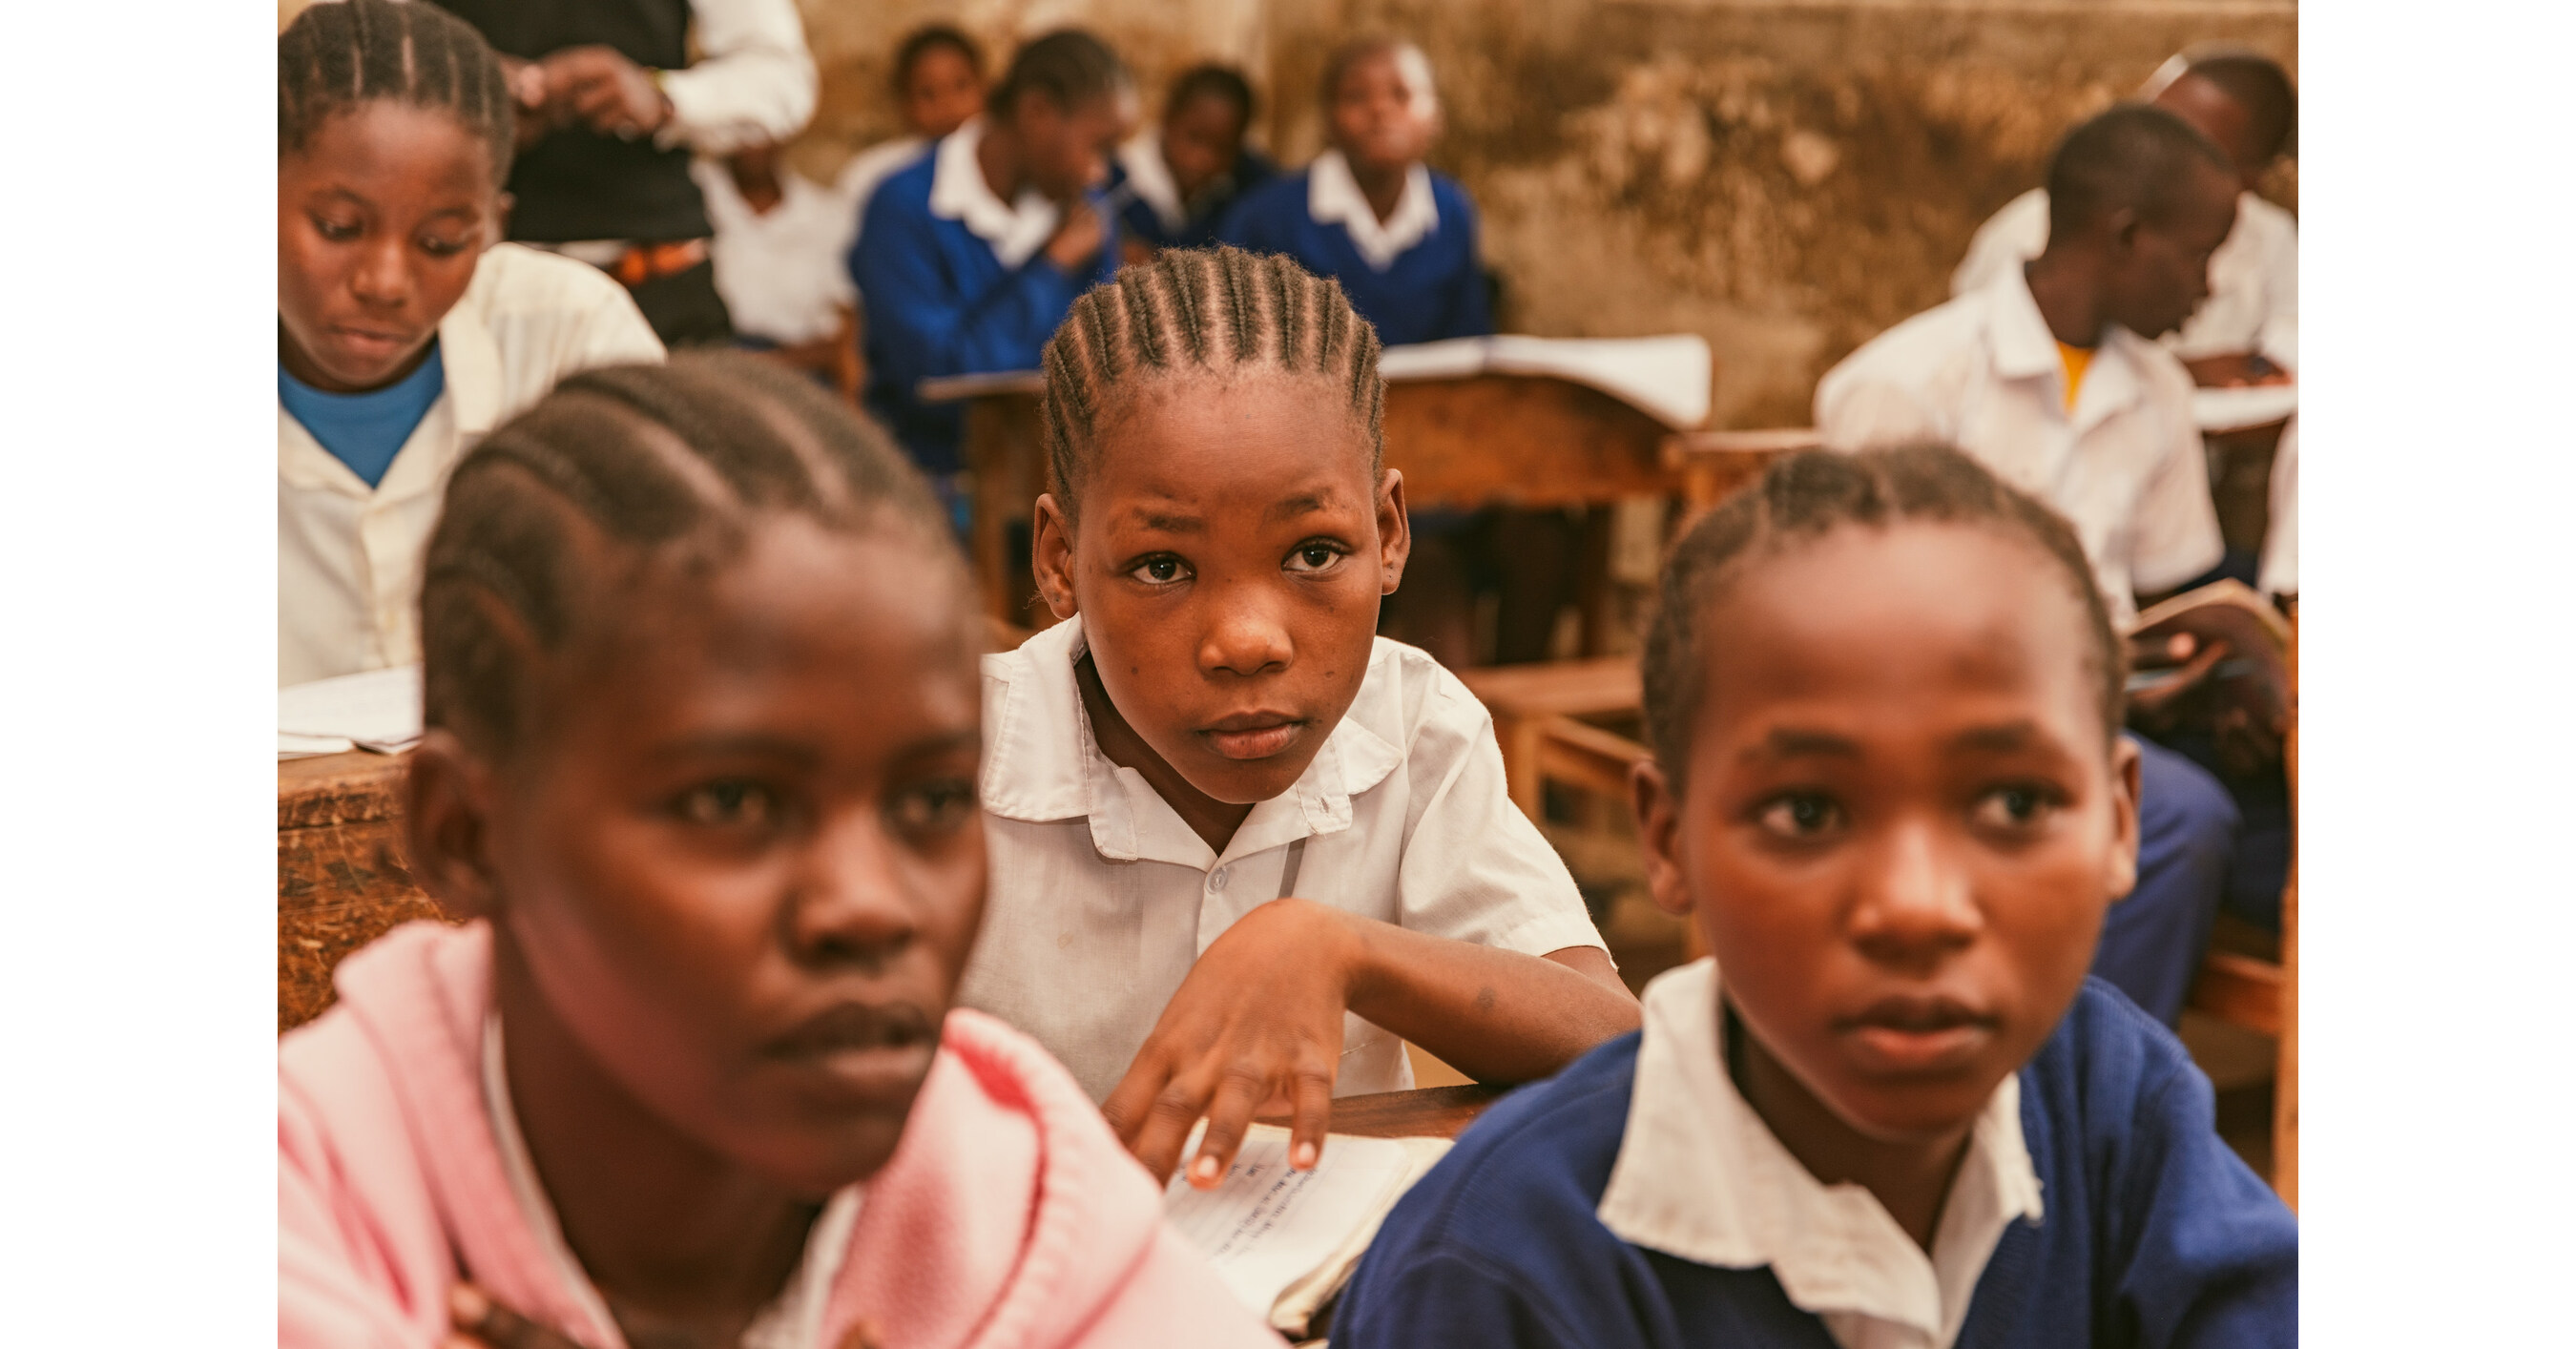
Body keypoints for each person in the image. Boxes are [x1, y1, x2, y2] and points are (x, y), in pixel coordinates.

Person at [279, 355, 1282, 1349]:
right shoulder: (300, 1209)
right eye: (731, 802)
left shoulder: (1023, 1201)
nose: (869, 905)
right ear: (467, 836)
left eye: (932, 800)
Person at [1335, 446, 2298, 1349]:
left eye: (2015, 802)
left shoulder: (2110, 1100)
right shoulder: (1497, 1272)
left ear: (2120, 823)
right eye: (1806, 812)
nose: (1917, 907)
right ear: (1669, 836)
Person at [962, 246, 1639, 1193]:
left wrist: (1338, 950)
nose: (1247, 640)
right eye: (1162, 566)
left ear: (1390, 532)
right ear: (1058, 561)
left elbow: (1618, 1050)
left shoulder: (1411, 728)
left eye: (1314, 552)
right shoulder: (947, 765)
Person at [1814, 104, 2273, 1027]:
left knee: (2278, 814)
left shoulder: (2158, 393)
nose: (2211, 285)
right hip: (1942, 701)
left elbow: (2173, 589)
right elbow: (1861, 617)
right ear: (2126, 237)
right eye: (2198, 255)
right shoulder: (1910, 380)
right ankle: (2066, 1103)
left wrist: (2222, 678)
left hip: (2114, 697)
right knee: (2177, 819)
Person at [279, 0, 662, 688]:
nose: (385, 282)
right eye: (338, 227)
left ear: (493, 229)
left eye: (441, 243)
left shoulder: (571, 336)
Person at [428, 0, 818, 348]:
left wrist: (663, 97)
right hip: (470, 282)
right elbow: (375, 37)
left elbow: (781, 77)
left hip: (656, 279)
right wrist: (453, 78)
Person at [850, 29, 1132, 498]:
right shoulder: (903, 207)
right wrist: (1052, 268)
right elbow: (941, 382)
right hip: (932, 489)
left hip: (1059, 489)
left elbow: (1106, 364)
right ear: (1038, 114)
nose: (1098, 171)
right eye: (1097, 146)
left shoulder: (1084, 210)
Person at [1953, 48, 2296, 385]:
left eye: (2190, 141)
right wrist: (2184, 373)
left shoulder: (2273, 237)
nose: (2154, 142)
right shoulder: (2029, 232)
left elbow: (2293, 352)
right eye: (2151, 120)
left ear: (2248, 180)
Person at [1108, 64, 1276, 257]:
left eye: (1222, 148)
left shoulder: (1244, 184)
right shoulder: (1115, 183)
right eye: (1194, 138)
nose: (1204, 160)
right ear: (1168, 118)